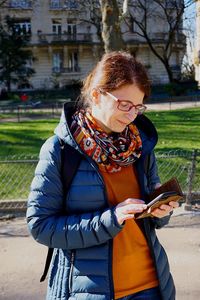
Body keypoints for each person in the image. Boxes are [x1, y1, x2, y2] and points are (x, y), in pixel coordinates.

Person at [27, 51, 179, 300]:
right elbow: (41, 226)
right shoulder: (60, 150)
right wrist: (111, 218)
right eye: (124, 105)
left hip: (152, 286)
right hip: (89, 291)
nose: (132, 115)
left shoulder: (140, 147)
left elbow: (151, 221)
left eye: (138, 107)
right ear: (97, 95)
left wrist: (161, 211)